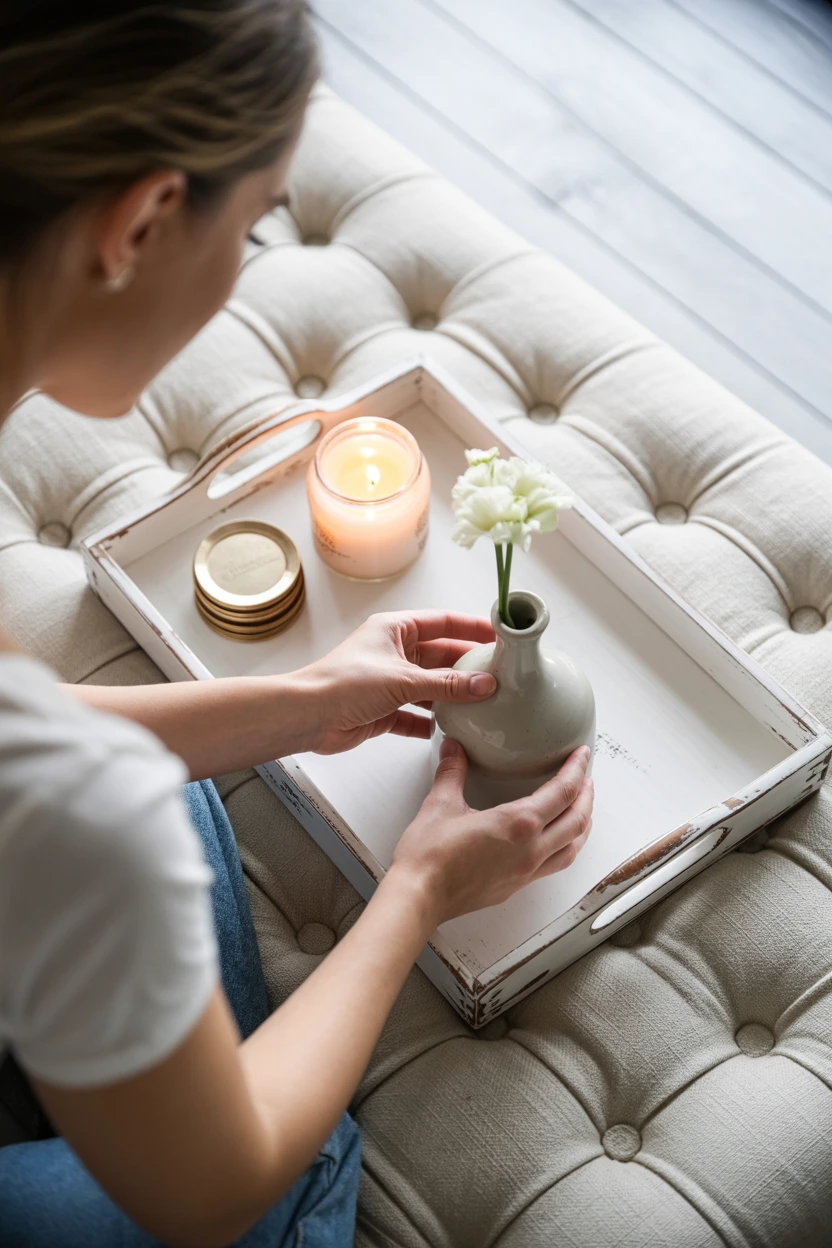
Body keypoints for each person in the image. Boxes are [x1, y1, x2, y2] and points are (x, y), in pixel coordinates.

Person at [0, 3, 595, 1245]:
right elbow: (206, 1192)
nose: (242, 268)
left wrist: (302, 701)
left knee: (164, 801)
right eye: (254, 223)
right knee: (293, 1159)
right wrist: (418, 889)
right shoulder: (70, 804)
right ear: (141, 222)